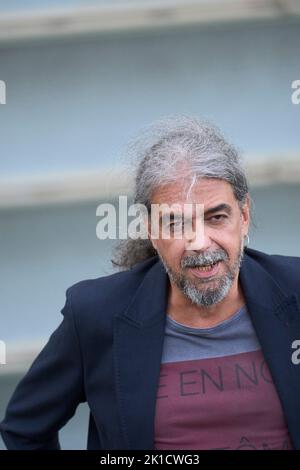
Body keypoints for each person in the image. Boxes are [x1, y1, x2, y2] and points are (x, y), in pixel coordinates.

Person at [1, 116, 300, 450]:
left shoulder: (295, 291)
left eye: (216, 217)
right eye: (174, 222)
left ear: (243, 216)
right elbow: (24, 429)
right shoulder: (94, 316)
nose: (199, 242)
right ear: (151, 231)